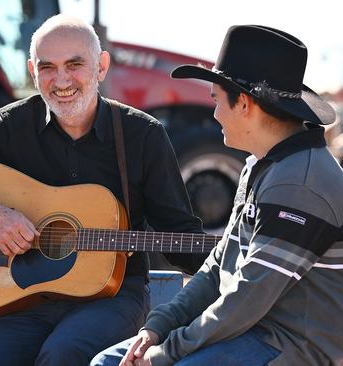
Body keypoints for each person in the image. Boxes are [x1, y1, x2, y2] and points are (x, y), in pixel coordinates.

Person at [0, 15, 205, 365]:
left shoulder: (142, 135)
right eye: (48, 67)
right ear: (32, 71)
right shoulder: (13, 125)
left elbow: (180, 234)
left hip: (113, 297)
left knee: (64, 354)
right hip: (22, 298)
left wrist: (230, 262)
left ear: (101, 66)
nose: (61, 80)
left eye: (74, 65)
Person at [91, 25, 343, 366]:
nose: (214, 114)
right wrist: (158, 327)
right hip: (251, 330)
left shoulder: (298, 183)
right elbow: (217, 267)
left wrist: (167, 352)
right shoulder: (261, 164)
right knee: (107, 362)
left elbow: (247, 298)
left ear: (243, 103)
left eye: (216, 100)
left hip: (293, 344)